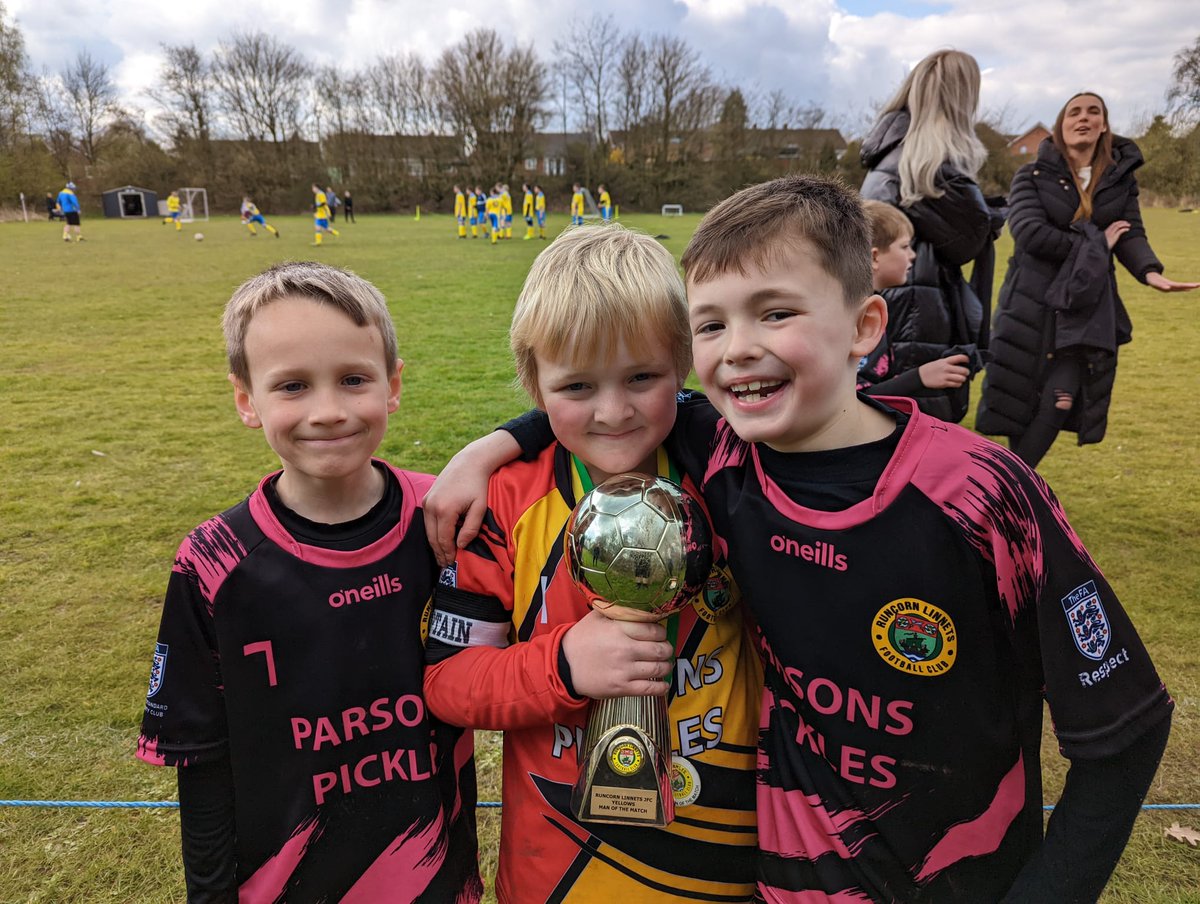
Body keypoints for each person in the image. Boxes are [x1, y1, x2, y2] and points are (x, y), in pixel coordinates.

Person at [428, 175, 1172, 903]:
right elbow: (595, 394)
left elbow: (1124, 731)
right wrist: (491, 449)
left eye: (775, 313)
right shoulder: (687, 461)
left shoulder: (955, 489)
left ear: (865, 326)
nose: (741, 348)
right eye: (714, 324)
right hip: (672, 879)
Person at [423, 224, 760, 903]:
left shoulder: (736, 473)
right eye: (577, 386)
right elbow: (449, 683)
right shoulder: (502, 503)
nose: (614, 412)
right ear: (534, 384)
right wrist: (563, 665)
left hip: (726, 856)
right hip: (563, 871)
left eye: (642, 377)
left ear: (683, 364)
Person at [135, 261, 483, 903]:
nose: (328, 411)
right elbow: (202, 762)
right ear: (247, 400)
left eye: (354, 380)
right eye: (292, 386)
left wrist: (494, 448)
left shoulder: (444, 520)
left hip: (435, 883)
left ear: (393, 385)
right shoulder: (213, 562)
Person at [976, 92, 1200, 468]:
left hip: (1087, 307)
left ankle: (1008, 494)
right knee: (1023, 402)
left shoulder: (1118, 180)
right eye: (1074, 112)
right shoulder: (1030, 175)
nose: (1083, 117)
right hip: (1033, 302)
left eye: (1093, 111)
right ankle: (1011, 501)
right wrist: (1097, 241)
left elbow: (1129, 232)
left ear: (1104, 125)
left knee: (1061, 398)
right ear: (1062, 128)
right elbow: (1030, 234)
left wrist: (1150, 272)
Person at [859, 49, 1003, 423]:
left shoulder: (889, 160)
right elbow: (968, 240)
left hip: (902, 310)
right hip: (914, 317)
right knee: (909, 426)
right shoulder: (927, 170)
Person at [857, 199, 971, 399]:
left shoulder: (864, 303)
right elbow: (854, 400)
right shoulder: (857, 316)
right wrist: (920, 377)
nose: (912, 255)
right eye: (904, 246)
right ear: (874, 257)